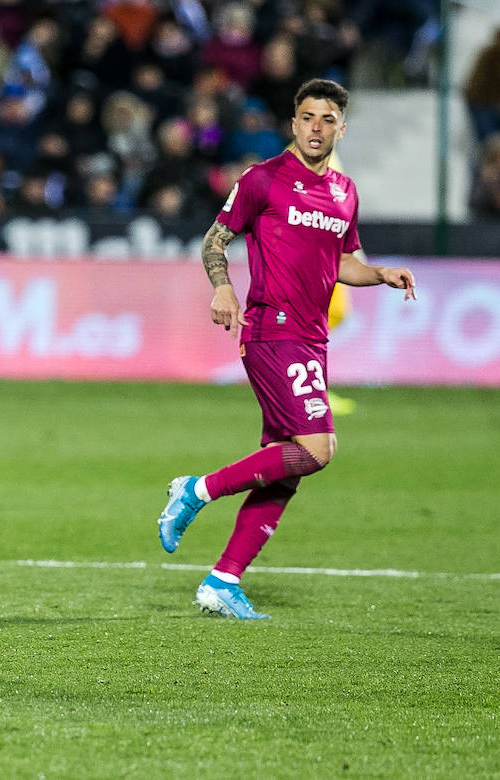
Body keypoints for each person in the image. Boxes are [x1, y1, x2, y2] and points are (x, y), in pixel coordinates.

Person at [157, 79, 416, 619]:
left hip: (312, 337)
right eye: (307, 117)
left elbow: (343, 263)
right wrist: (224, 287)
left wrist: (380, 274)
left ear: (341, 128)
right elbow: (215, 239)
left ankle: (222, 580)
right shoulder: (263, 180)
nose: (316, 128)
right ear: (292, 123)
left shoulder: (345, 192)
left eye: (327, 119)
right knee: (320, 449)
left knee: (287, 465)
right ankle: (196, 490)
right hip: (272, 331)